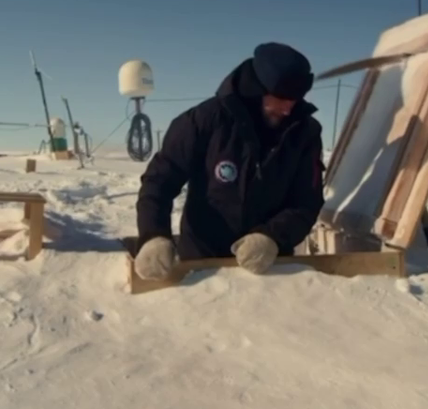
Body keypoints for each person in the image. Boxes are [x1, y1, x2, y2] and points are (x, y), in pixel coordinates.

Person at [134, 42, 326, 280]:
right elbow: (159, 182)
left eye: (295, 100)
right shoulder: (203, 121)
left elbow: (306, 201)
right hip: (201, 265)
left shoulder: (305, 133)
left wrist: (272, 237)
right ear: (258, 88)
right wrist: (153, 235)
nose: (288, 109)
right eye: (280, 98)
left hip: (268, 267)